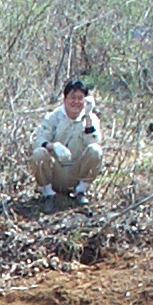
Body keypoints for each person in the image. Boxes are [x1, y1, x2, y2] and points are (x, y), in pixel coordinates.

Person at [30, 78, 104, 211]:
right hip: (56, 172)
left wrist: (87, 117)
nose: (76, 102)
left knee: (96, 150)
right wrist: (54, 146)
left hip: (77, 170)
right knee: (38, 154)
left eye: (80, 98)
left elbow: (94, 142)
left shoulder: (91, 118)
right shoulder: (52, 117)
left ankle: (80, 192)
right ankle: (48, 194)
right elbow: (38, 142)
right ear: (64, 99)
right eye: (72, 97)